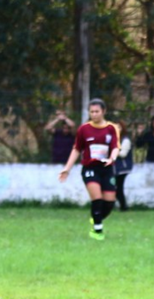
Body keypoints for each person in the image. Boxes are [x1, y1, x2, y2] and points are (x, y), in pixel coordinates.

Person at [58, 99, 120, 240]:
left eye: (97, 111)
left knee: (109, 202)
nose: (94, 114)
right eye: (91, 112)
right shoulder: (84, 129)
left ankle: (96, 217)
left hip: (107, 168)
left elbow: (115, 147)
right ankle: (97, 231)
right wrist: (67, 169)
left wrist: (112, 158)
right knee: (97, 198)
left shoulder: (111, 128)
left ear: (104, 111)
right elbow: (76, 149)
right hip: (90, 168)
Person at [114, 119, 133, 212]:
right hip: (116, 168)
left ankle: (123, 206)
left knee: (118, 187)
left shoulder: (125, 140)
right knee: (116, 187)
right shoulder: (114, 139)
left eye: (119, 127)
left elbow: (123, 154)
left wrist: (113, 151)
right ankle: (123, 206)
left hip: (123, 168)